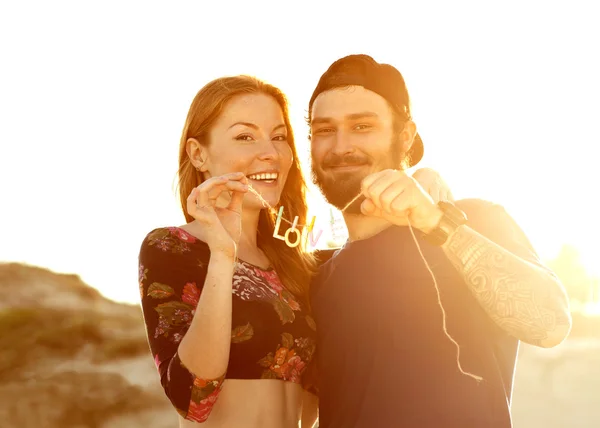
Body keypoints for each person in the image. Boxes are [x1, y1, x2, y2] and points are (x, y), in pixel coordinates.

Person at [137, 75, 452, 427]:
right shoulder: (171, 248)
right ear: (198, 154)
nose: (270, 153)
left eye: (279, 137)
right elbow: (192, 397)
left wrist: (423, 180)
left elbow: (376, 246)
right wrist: (223, 255)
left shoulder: (301, 265)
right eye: (245, 136)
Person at [307, 54, 572, 428]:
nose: (340, 146)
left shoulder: (473, 219)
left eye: (362, 126)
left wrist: (434, 222)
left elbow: (549, 325)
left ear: (406, 135)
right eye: (324, 130)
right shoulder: (317, 276)